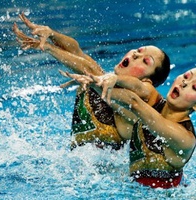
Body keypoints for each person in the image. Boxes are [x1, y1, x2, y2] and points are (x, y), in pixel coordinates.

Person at [13, 13, 171, 150]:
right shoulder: (99, 77)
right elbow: (75, 50)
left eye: (146, 62)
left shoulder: (136, 105)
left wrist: (49, 48)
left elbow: (89, 69)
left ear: (147, 81)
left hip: (108, 180)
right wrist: (51, 34)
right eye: (138, 50)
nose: (136, 55)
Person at [65, 67, 196, 189]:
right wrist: (108, 79)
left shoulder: (184, 139)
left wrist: (94, 83)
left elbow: (135, 104)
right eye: (186, 76)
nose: (184, 83)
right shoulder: (154, 99)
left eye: (195, 88)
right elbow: (137, 86)